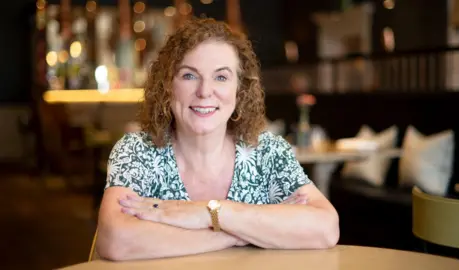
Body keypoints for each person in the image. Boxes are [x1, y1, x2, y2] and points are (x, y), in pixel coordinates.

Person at [96, 18, 339, 261]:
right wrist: (237, 234)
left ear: (239, 89)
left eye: (221, 77)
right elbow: (114, 240)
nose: (204, 91)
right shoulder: (137, 151)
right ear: (167, 85)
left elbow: (326, 229)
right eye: (189, 76)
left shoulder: (269, 152)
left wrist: (210, 212)